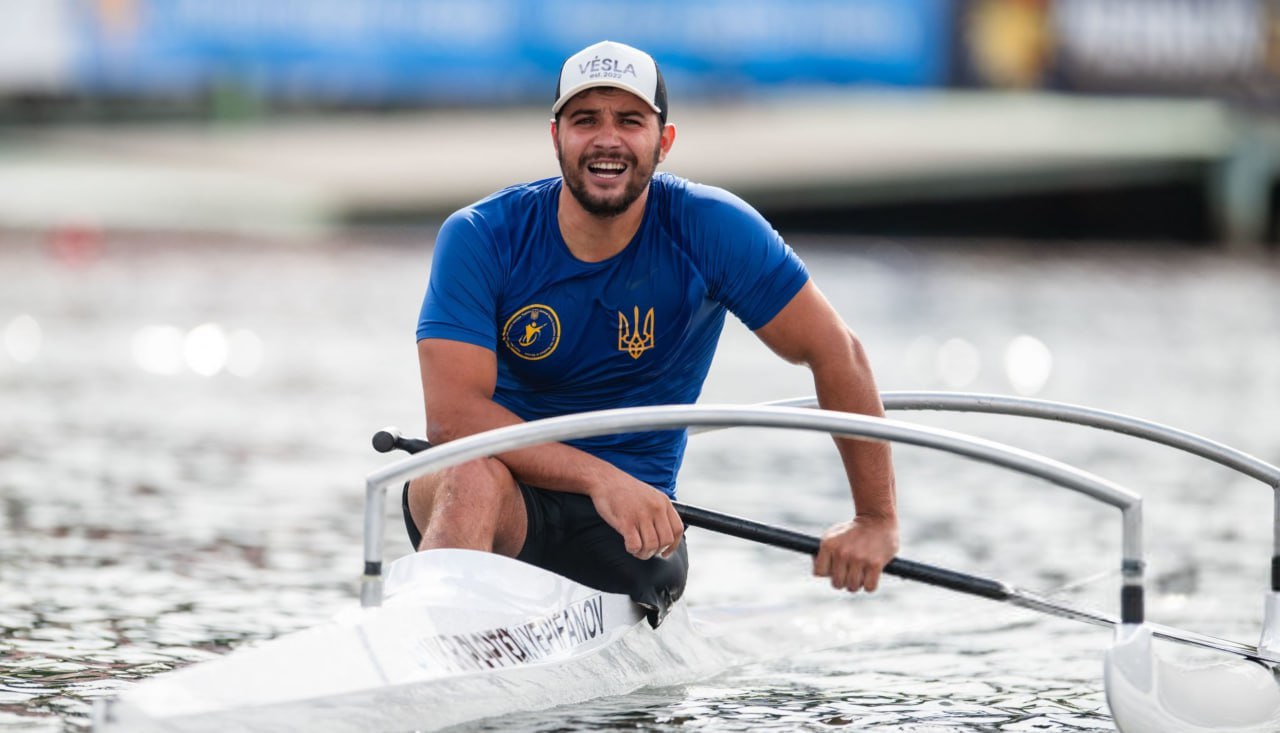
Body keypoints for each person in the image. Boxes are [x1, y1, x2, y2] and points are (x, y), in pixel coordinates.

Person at [405, 40, 898, 625]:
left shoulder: (713, 229)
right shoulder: (481, 235)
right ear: (556, 137)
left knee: (497, 479)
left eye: (630, 121)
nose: (607, 139)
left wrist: (874, 520)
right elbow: (454, 420)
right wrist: (599, 477)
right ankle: (430, 640)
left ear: (663, 142)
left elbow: (835, 351)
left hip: (628, 528)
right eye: (585, 120)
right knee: (469, 467)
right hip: (498, 491)